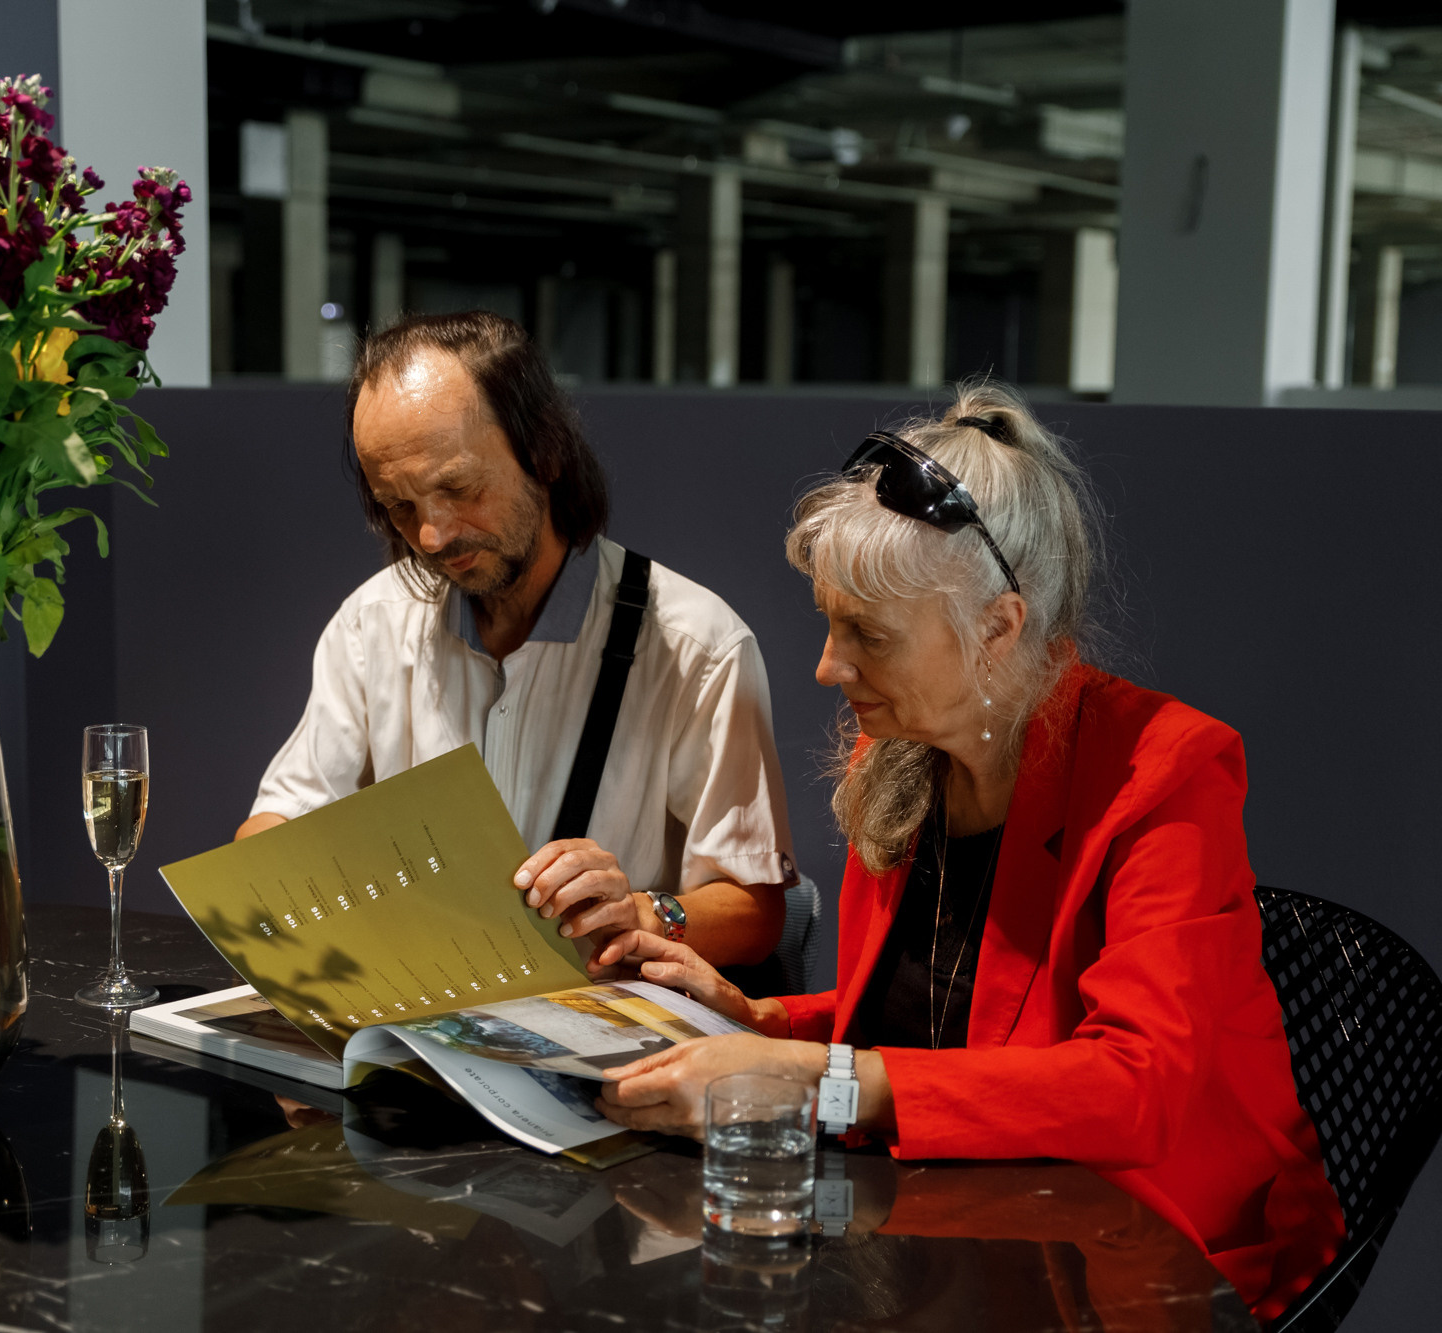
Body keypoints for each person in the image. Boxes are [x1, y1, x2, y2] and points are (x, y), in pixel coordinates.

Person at [589, 384, 1343, 1321]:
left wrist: (819, 1081)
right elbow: (930, 1028)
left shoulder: (1168, 772)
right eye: (830, 621)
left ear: (998, 628)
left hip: (1156, 1265)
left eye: (867, 634)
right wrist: (761, 1022)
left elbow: (1134, 1086)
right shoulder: (897, 756)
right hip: (971, 1233)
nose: (827, 665)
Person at [237, 311, 800, 968]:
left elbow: (756, 911)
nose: (432, 536)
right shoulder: (373, 624)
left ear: (546, 451)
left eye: (458, 488)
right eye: (400, 506)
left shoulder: (696, 647)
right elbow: (273, 827)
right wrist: (284, 870)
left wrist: (642, 912)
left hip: (603, 1016)